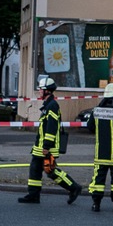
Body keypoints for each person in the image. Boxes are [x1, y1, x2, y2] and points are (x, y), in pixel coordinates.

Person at [18, 76, 83, 205]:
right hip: (40, 146)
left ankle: (74, 187)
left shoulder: (52, 106)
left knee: (51, 170)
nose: (39, 91)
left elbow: (51, 128)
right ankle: (33, 195)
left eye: (41, 89)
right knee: (35, 169)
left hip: (46, 147)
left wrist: (46, 146)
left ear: (47, 91)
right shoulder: (48, 105)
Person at [85, 83, 113, 212]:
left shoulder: (97, 110)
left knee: (98, 178)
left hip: (100, 153)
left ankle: (96, 204)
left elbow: (90, 127)